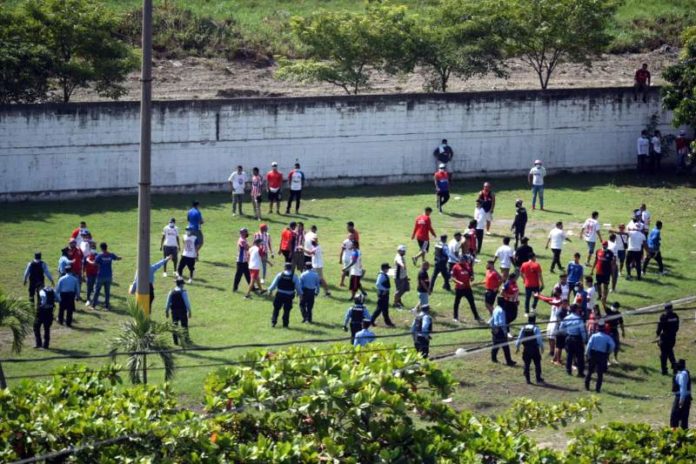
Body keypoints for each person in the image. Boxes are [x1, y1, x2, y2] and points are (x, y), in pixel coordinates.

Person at [268, 263, 303, 328]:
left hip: (279, 295)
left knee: (276, 309)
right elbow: (298, 287)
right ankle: (285, 324)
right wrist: (300, 294)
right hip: (289, 296)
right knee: (287, 310)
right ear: (291, 268)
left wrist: (270, 290)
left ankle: (273, 322)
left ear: (284, 268)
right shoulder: (294, 276)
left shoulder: (279, 275)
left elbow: (273, 285)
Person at [584, 325, 616, 393]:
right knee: (600, 373)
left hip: (593, 354)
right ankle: (597, 389)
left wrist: (587, 354)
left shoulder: (594, 336)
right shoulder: (607, 337)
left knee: (589, 371)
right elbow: (613, 345)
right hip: (602, 355)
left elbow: (589, 345)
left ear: (598, 329)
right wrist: (608, 351)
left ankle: (587, 386)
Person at [559, 305, 587, 377]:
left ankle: (568, 371)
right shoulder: (579, 319)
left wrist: (566, 333)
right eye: (578, 309)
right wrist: (584, 340)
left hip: (568, 338)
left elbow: (561, 328)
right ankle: (580, 372)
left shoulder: (566, 318)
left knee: (569, 355)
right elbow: (582, 331)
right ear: (576, 310)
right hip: (577, 339)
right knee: (580, 356)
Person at [92, 243, 121, 310]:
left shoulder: (99, 255)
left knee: (97, 291)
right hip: (108, 276)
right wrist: (120, 257)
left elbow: (94, 263)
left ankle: (93, 306)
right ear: (106, 247)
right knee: (107, 292)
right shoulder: (110, 255)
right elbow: (117, 258)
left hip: (100, 276)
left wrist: (89, 261)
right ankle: (107, 306)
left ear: (101, 248)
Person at [516, 314, 544, 384]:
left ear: (528, 319)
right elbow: (539, 339)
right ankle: (538, 379)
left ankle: (527, 379)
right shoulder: (536, 328)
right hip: (534, 349)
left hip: (526, 349)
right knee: (537, 363)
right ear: (534, 320)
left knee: (526, 364)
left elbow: (519, 338)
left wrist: (518, 347)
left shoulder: (523, 328)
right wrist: (542, 347)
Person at [165, 278, 191, 346]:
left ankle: (175, 341)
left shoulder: (171, 292)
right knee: (184, 325)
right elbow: (187, 303)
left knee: (175, 326)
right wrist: (189, 311)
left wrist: (167, 311)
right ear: (181, 284)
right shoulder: (183, 292)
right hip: (182, 311)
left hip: (174, 311)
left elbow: (168, 303)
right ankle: (186, 339)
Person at [490, 299, 516, 366]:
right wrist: (505, 332)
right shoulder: (502, 311)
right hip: (500, 330)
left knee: (496, 345)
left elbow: (491, 320)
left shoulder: (495, 309)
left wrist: (492, 328)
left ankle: (493, 358)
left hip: (495, 329)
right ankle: (509, 361)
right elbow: (502, 323)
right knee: (505, 347)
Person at [657, 303, 680, 375]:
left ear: (665, 309)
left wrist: (658, 334)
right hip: (672, 337)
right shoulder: (675, 316)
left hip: (665, 338)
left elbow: (660, 327)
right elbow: (677, 328)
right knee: (670, 352)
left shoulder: (664, 316)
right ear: (672, 308)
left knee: (663, 354)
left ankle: (664, 370)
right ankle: (675, 367)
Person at [591, 241, 616, 306]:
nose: (604, 246)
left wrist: (613, 273)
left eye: (605, 245)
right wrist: (592, 269)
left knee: (605, 286)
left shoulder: (610, 253)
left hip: (606, 273)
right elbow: (596, 260)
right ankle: (600, 296)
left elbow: (612, 264)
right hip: (598, 272)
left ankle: (604, 297)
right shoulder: (598, 251)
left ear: (607, 245)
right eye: (603, 245)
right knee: (598, 285)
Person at [670, 359, 692, 429]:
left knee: (674, 416)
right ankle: (684, 435)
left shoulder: (683, 374)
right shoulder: (683, 373)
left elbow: (683, 387)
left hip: (681, 397)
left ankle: (674, 434)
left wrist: (681, 400)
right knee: (684, 417)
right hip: (686, 397)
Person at [34, 285, 56, 349]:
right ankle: (46, 345)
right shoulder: (52, 291)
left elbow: (43, 298)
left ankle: (38, 343)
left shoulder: (41, 291)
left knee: (36, 326)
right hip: (49, 311)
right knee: (47, 329)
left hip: (42, 311)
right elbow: (58, 299)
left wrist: (42, 305)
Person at [233, 228, 250, 293]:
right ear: (243, 233)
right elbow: (247, 248)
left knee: (247, 274)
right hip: (241, 261)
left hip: (244, 260)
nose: (247, 233)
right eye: (246, 232)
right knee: (238, 275)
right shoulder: (242, 240)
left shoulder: (244, 239)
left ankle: (252, 287)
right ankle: (234, 288)